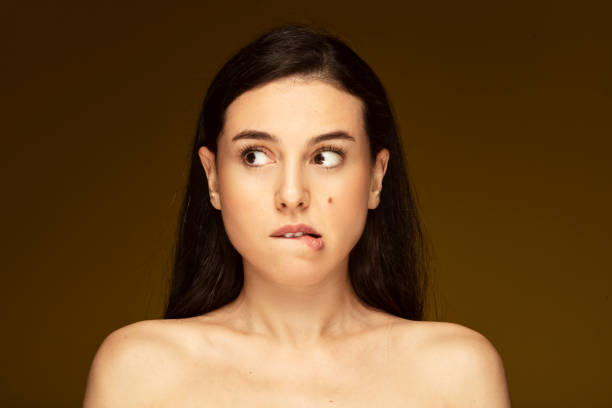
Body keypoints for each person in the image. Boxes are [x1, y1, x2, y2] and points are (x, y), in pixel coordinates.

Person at [83, 24, 511, 407]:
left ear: (377, 177)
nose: (292, 195)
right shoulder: (140, 371)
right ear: (212, 178)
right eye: (254, 156)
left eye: (326, 156)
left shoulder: (456, 373)